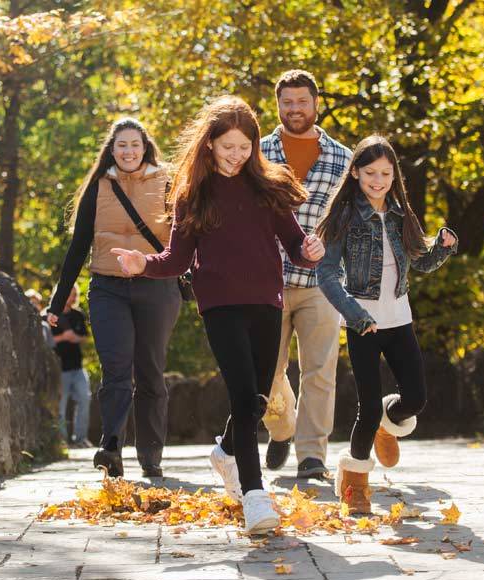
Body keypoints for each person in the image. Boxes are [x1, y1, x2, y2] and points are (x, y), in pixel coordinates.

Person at [111, 96, 325, 534]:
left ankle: (226, 452)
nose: (236, 155)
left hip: (267, 301)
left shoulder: (268, 188)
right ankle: (255, 497)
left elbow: (296, 244)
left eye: (244, 147)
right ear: (209, 145)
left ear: (254, 147)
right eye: (228, 147)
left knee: (260, 399)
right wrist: (143, 264)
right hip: (220, 305)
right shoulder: (194, 195)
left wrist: (310, 251)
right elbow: (176, 259)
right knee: (245, 398)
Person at [315, 135, 458, 514]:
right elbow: (326, 275)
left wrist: (441, 248)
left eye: (385, 173)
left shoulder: (400, 215)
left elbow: (421, 264)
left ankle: (386, 424)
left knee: (416, 398)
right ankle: (355, 485)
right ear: (356, 173)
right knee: (366, 408)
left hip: (399, 320)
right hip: (363, 324)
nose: (377, 180)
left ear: (395, 176)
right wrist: (354, 314)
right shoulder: (343, 217)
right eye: (369, 173)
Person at [47, 118, 181, 478]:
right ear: (112, 149)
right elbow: (78, 247)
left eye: (134, 144)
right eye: (121, 145)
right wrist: (58, 302)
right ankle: (111, 447)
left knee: (150, 370)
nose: (128, 151)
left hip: (156, 285)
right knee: (116, 368)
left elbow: (187, 238)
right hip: (108, 287)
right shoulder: (98, 186)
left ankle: (151, 456)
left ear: (145, 146)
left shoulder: (168, 182)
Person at [260, 70, 352, 479]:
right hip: (265, 279)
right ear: (278, 105)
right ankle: (281, 429)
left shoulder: (343, 158)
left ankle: (312, 456)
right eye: (287, 102)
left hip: (322, 282)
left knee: (320, 370)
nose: (295, 109)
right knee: (267, 372)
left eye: (302, 101)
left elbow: (354, 219)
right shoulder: (256, 153)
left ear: (317, 103)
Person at [50, 284, 91, 447]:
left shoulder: (78, 315)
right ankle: (62, 442)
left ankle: (80, 439)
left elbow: (85, 338)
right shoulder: (49, 315)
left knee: (85, 399)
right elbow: (44, 342)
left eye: (75, 294)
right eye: (70, 294)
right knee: (60, 406)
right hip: (59, 369)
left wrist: (76, 338)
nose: (73, 297)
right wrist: (63, 337)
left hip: (77, 367)